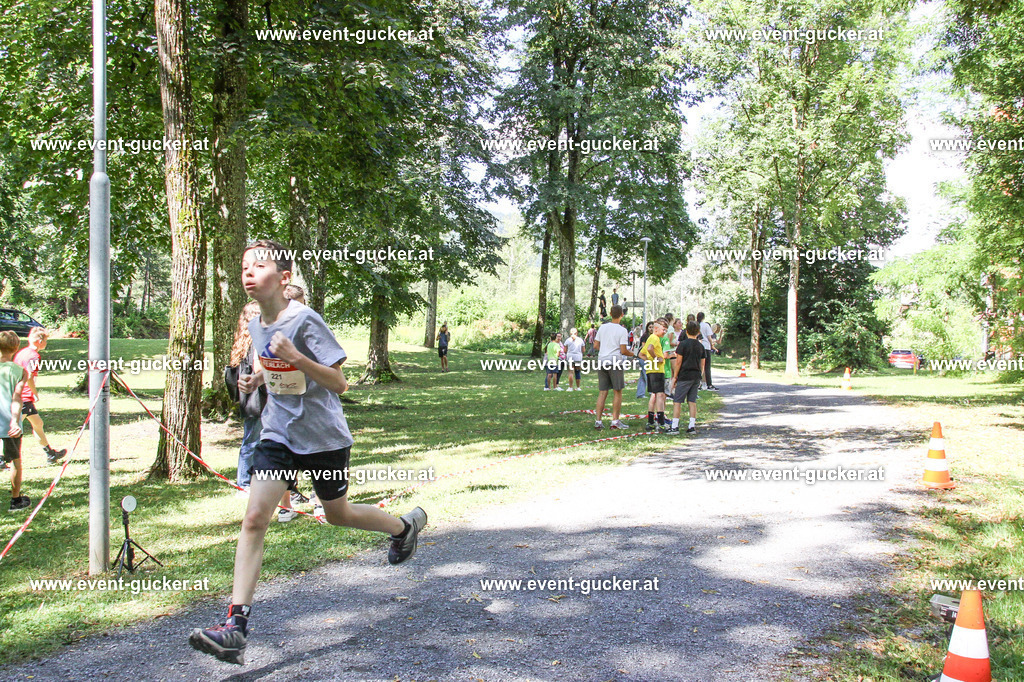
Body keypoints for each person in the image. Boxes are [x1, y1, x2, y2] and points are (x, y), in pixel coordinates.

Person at [189, 240, 427, 665]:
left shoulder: (306, 320)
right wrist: (257, 379)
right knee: (255, 517)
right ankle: (235, 626)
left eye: (258, 265)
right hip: (278, 435)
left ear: (283, 278)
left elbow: (339, 383)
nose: (247, 272)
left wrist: (297, 357)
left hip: (324, 440)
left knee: (339, 515)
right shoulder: (257, 321)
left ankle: (401, 528)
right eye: (244, 266)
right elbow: (272, 363)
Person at [227, 302, 265, 498]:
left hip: (247, 399)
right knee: (252, 441)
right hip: (258, 398)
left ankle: (250, 481)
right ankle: (243, 483)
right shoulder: (257, 341)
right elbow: (259, 370)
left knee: (251, 439)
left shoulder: (241, 341)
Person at [14, 328, 66, 464]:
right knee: (13, 429)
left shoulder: (22, 353)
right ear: (39, 341)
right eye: (46, 340)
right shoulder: (34, 356)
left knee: (38, 423)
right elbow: (30, 377)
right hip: (23, 397)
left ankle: (50, 454)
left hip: (20, 395)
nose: (46, 343)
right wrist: (34, 393)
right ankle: (2, 459)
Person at [593, 305, 635, 430]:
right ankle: (615, 421)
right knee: (617, 391)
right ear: (622, 315)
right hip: (615, 362)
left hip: (602, 361)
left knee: (602, 392)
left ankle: (598, 421)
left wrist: (605, 350)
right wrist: (635, 354)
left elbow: (595, 345)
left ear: (610, 314)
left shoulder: (602, 327)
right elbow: (623, 350)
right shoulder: (622, 330)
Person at [0, 331, 29, 511]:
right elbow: (17, 397)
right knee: (15, 462)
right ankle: (16, 500)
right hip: (8, 425)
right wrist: (15, 422)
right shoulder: (20, 371)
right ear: (17, 348)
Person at [668, 320, 705, 435]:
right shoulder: (701, 346)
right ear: (698, 332)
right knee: (692, 401)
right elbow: (702, 363)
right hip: (696, 376)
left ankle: (674, 426)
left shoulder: (682, 345)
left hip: (684, 375)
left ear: (686, 331)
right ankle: (692, 425)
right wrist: (700, 375)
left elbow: (678, 362)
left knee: (677, 400)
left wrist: (675, 377)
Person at [639, 321, 667, 431]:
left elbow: (641, 354)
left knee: (653, 395)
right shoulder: (654, 338)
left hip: (651, 370)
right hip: (657, 371)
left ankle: (651, 421)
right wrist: (656, 359)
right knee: (660, 395)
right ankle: (661, 422)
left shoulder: (651, 337)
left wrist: (650, 360)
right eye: (663, 329)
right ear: (656, 329)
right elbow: (650, 348)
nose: (664, 331)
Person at [697, 312, 718, 391]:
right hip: (706, 346)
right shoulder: (706, 325)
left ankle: (699, 384)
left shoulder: (697, 325)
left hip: (698, 347)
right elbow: (709, 337)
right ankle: (709, 384)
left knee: (699, 365)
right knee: (707, 366)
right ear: (703, 317)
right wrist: (712, 344)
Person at [635, 320, 655, 399]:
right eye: (650, 327)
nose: (651, 329)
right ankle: (651, 391)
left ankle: (640, 393)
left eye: (652, 327)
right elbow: (644, 347)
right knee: (647, 375)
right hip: (643, 358)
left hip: (648, 358)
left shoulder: (654, 336)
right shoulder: (645, 336)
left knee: (642, 377)